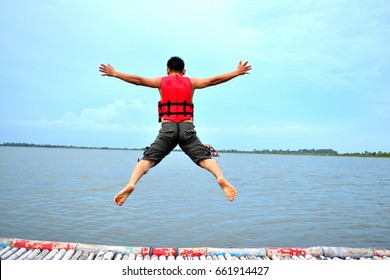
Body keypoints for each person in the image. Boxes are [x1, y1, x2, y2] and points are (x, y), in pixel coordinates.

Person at [99, 57, 251, 206]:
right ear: (184, 71)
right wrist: (236, 72)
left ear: (167, 70)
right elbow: (213, 81)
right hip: (187, 129)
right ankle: (219, 177)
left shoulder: (161, 81)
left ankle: (131, 183)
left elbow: (138, 80)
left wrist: (115, 73)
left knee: (147, 160)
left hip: (168, 129)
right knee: (205, 158)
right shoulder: (192, 82)